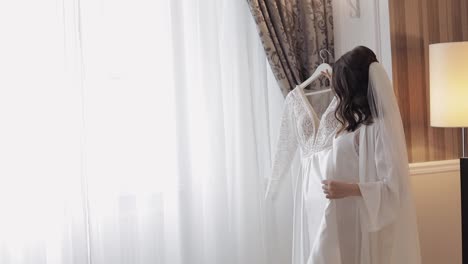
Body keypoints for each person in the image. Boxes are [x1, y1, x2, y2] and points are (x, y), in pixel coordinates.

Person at [265, 46, 421, 264]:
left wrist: (347, 189)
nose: (337, 91)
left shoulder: (379, 128)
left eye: (341, 84)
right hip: (338, 213)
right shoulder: (351, 122)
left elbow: (393, 187)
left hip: (357, 215)